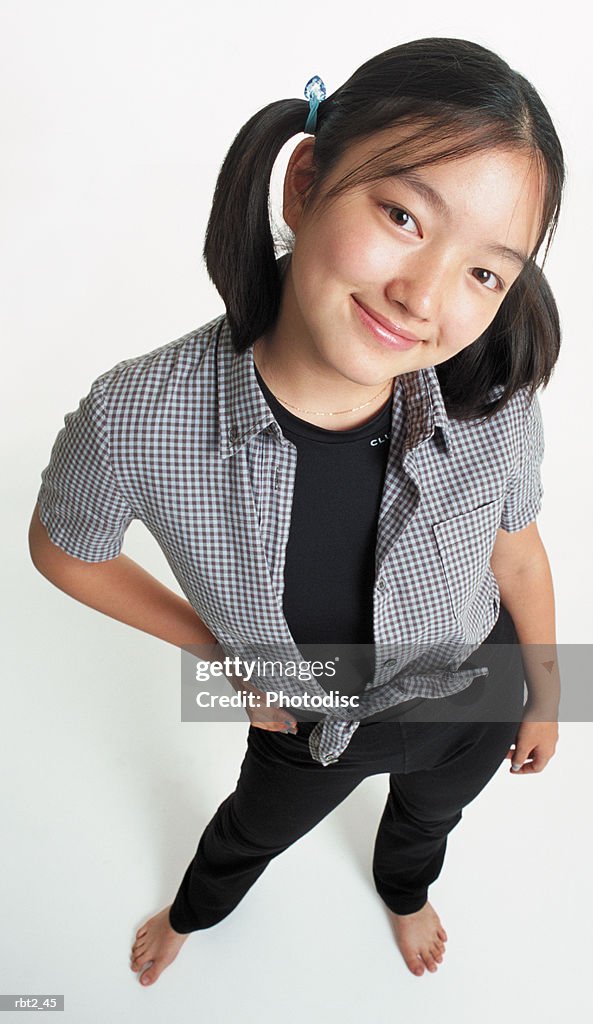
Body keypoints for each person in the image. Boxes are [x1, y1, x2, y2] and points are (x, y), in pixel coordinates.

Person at [29, 37, 563, 987]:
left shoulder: (495, 400)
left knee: (429, 818)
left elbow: (517, 555)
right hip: (307, 711)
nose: (424, 295)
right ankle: (195, 909)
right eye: (402, 214)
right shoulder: (133, 419)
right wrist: (223, 653)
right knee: (249, 829)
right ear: (306, 180)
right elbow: (65, 552)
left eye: (485, 271)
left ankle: (403, 891)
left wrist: (550, 696)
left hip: (473, 691)